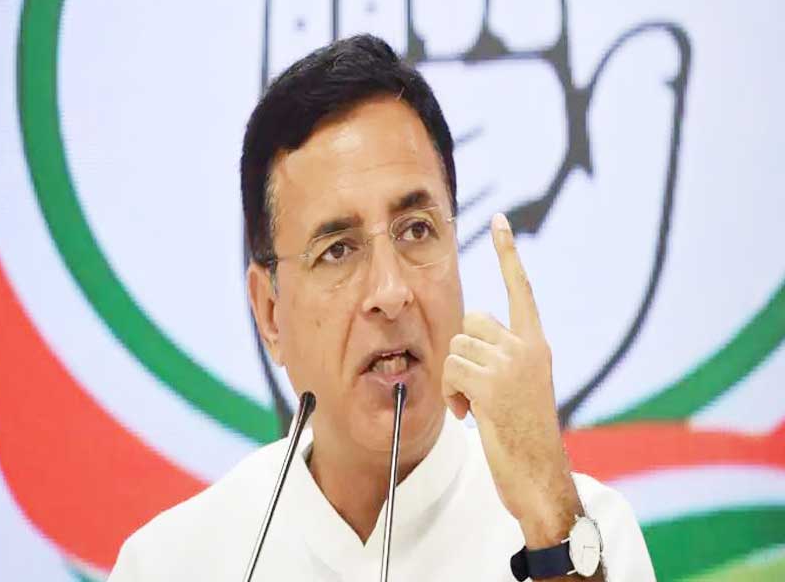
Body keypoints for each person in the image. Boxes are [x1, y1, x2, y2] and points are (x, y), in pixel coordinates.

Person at [108, 34, 655, 581]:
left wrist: (549, 523)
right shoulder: (169, 564)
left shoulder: (584, 533)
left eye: (416, 230)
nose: (391, 292)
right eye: (337, 250)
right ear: (271, 313)